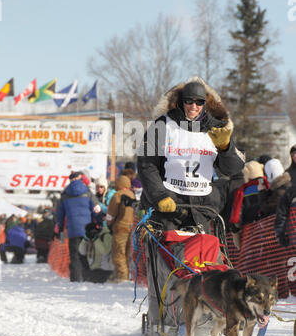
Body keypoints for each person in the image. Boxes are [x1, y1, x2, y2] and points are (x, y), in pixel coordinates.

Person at [137, 77, 245, 233]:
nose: (193, 107)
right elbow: (146, 164)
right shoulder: (163, 125)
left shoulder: (216, 128)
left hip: (201, 209)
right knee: (172, 254)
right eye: (189, 101)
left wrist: (226, 148)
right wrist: (159, 196)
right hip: (169, 209)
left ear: (205, 104)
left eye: (199, 102)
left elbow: (233, 169)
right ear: (181, 102)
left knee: (208, 256)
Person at [57, 171, 99, 282]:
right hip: (87, 230)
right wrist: (97, 223)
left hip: (73, 230)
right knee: (86, 254)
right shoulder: (88, 192)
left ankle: (75, 278)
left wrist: (60, 228)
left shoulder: (65, 195)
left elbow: (60, 214)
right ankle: (87, 277)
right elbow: (96, 210)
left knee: (74, 255)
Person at [228, 160, 269, 249]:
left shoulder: (243, 191)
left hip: (250, 234)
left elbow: (236, 216)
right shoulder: (268, 186)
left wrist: (235, 232)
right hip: (269, 232)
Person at [106, 175, 135, 282]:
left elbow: (111, 214)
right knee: (127, 254)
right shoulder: (132, 195)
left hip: (120, 228)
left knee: (119, 254)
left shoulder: (117, 195)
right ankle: (127, 276)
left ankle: (122, 277)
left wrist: (109, 223)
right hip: (131, 228)